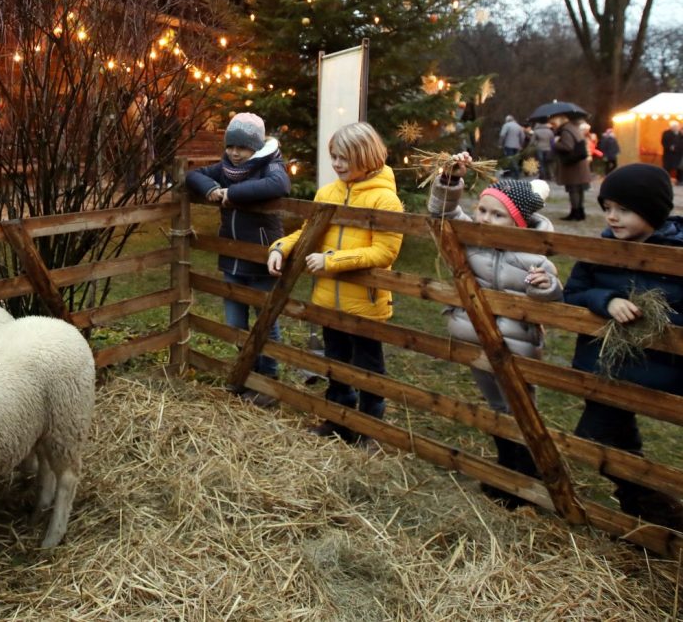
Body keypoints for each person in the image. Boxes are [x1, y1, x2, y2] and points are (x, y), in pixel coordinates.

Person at [428, 154, 563, 508]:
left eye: (496, 214)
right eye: (482, 210)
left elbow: (552, 292)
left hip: (517, 346)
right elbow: (442, 213)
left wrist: (543, 286)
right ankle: (508, 467)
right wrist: (449, 181)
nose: (485, 219)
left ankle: (529, 473)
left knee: (520, 405)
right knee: (495, 404)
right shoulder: (474, 241)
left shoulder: (535, 255)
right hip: (477, 341)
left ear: (518, 222)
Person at [266, 122, 403, 446]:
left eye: (344, 158)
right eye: (334, 157)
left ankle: (370, 428)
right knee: (335, 363)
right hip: (329, 301)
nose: (337, 164)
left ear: (365, 156)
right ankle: (338, 421)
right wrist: (279, 248)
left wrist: (332, 261)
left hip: (365, 304)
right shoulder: (327, 194)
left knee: (369, 369)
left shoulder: (385, 200)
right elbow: (307, 233)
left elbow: (385, 251)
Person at [564, 163, 683, 530]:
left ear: (652, 209)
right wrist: (607, 299)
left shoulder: (676, 254)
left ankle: (649, 505)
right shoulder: (600, 250)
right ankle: (648, 504)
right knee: (596, 436)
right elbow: (573, 293)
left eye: (624, 209)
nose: (612, 217)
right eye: (607, 207)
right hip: (607, 370)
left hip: (661, 371)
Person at [186, 113, 291, 407]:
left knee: (265, 323)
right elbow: (191, 175)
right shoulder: (226, 168)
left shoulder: (270, 166)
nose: (235, 152)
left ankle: (267, 382)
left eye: (242, 148)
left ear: (255, 147)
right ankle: (245, 374)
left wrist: (232, 194)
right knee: (235, 324)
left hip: (260, 261)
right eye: (231, 146)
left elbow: (278, 186)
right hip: (232, 261)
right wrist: (211, 189)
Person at [550, 114, 591, 221]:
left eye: (553, 122)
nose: (552, 125)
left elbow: (567, 146)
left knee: (574, 189)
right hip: (579, 164)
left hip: (573, 165)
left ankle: (575, 213)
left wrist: (554, 143)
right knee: (579, 189)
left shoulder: (565, 130)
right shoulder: (574, 128)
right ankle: (580, 212)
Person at [662, 120, 682, 185]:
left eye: (677, 126)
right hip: (669, 155)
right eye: (675, 126)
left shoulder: (680, 133)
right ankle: (666, 180)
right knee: (667, 168)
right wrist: (670, 147)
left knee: (679, 167)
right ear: (671, 127)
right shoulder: (666, 133)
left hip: (679, 154)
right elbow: (664, 142)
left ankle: (679, 180)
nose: (677, 127)